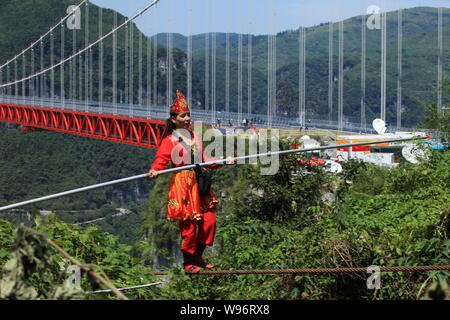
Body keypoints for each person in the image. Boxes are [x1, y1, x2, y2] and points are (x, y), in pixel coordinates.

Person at [148, 90, 235, 273]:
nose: (187, 118)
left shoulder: (194, 137)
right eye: (183, 115)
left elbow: (204, 161)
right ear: (173, 119)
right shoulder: (169, 141)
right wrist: (155, 170)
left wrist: (222, 161)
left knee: (209, 221)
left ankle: (198, 256)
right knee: (188, 229)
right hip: (182, 186)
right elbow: (161, 161)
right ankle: (188, 263)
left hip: (199, 183)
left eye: (188, 115)